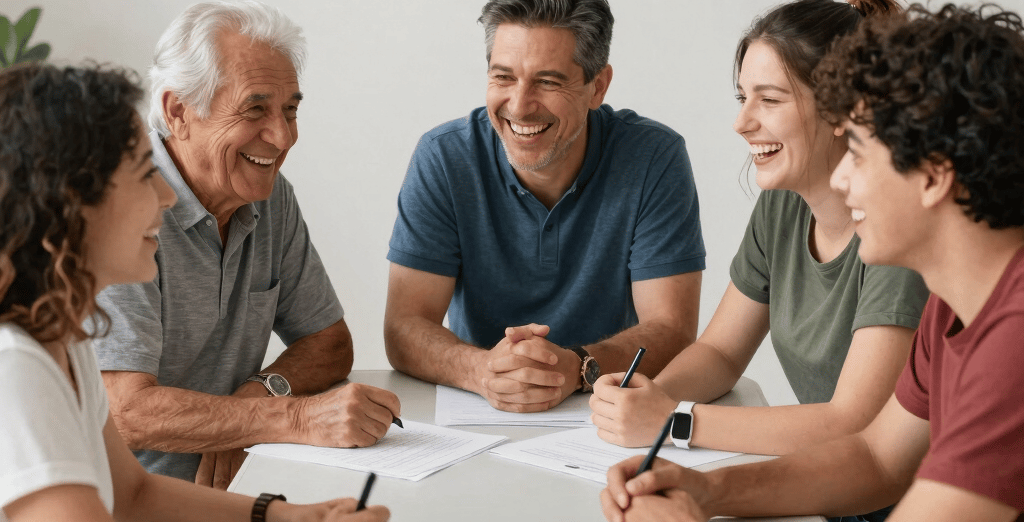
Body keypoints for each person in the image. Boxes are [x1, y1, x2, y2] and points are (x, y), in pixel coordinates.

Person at [602, 4, 1024, 521]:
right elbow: (876, 458)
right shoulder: (952, 307)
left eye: (861, 152)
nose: (843, 180)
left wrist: (676, 425)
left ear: (933, 176)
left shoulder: (1014, 338)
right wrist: (705, 492)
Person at [0, 62, 389, 522]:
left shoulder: (67, 343)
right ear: (73, 204)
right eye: (146, 172)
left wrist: (288, 516)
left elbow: (134, 494)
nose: (167, 196)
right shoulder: (16, 368)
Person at [591, 0, 925, 468]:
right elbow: (721, 351)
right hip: (831, 489)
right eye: (741, 98)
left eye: (769, 100)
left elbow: (853, 423)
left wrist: (673, 421)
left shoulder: (895, 230)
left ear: (844, 110)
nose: (742, 122)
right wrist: (646, 398)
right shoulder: (784, 203)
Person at [93, 0, 400, 489]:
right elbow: (129, 412)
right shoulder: (119, 203)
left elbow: (330, 343)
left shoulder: (270, 197)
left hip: (237, 484)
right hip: (129, 499)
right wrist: (293, 418)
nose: (282, 137)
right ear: (179, 112)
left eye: (290, 111)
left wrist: (258, 397)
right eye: (255, 109)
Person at [384, 0, 705, 414]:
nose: (519, 106)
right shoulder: (445, 156)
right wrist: (481, 370)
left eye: (548, 82)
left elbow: (673, 329)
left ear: (598, 87)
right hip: (478, 409)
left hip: (608, 411)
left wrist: (578, 367)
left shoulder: (653, 157)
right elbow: (403, 327)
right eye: (503, 77)